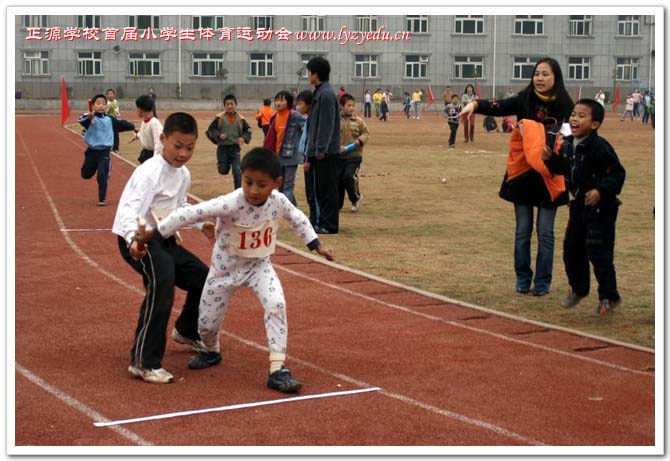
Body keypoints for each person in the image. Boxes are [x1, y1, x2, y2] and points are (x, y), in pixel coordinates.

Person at [140, 147, 335, 392]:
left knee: (277, 304)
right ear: (241, 176)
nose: (253, 190)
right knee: (207, 324)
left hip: (258, 266)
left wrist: (317, 245)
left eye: (261, 185)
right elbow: (190, 213)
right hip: (223, 270)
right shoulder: (231, 203)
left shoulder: (279, 202)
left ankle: (278, 368)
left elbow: (298, 219)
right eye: (248, 182)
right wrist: (158, 233)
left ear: (276, 183)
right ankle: (211, 350)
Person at [460, 57, 573, 296]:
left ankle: (543, 282)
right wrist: (474, 105)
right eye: (536, 74)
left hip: (550, 175)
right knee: (523, 230)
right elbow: (499, 106)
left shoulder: (565, 104)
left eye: (545, 74)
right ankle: (523, 278)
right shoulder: (524, 99)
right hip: (523, 174)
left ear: (556, 77)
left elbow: (573, 136)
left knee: (545, 233)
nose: (540, 78)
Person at [112, 112, 211, 384]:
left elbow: (177, 209)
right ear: (163, 139)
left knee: (203, 277)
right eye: (177, 146)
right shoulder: (148, 173)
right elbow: (131, 210)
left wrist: (203, 225)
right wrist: (133, 240)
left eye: (189, 148)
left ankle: (187, 330)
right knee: (163, 280)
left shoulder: (183, 174)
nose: (183, 153)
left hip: (164, 237)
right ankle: (144, 361)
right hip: (139, 236)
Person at [542, 99, 625, 315]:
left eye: (581, 116)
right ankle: (579, 288)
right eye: (573, 115)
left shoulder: (600, 147)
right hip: (578, 206)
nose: (574, 119)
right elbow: (564, 168)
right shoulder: (568, 143)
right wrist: (551, 160)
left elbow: (617, 174)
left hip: (601, 209)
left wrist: (600, 191)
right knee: (571, 248)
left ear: (595, 124)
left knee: (598, 251)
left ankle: (609, 296)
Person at [78, 93, 136, 206]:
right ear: (93, 105)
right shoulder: (89, 117)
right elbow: (81, 121)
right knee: (86, 175)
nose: (101, 106)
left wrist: (133, 127)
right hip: (91, 151)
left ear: (106, 107)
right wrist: (89, 118)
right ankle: (91, 169)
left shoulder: (110, 119)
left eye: (103, 104)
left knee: (102, 175)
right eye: (98, 103)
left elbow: (121, 124)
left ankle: (102, 198)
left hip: (104, 152)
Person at [306, 56, 341, 234]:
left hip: (326, 152)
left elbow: (326, 125)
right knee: (321, 189)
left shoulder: (326, 95)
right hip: (320, 151)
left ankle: (330, 225)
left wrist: (320, 149)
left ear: (316, 74)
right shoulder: (320, 92)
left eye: (309, 72)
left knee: (327, 190)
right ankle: (323, 222)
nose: (308, 75)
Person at [262, 90, 305, 206]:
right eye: (276, 100)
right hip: (278, 155)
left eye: (281, 100)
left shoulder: (294, 116)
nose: (278, 103)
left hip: (291, 156)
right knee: (280, 186)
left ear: (289, 102)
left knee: (288, 186)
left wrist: (301, 140)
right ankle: (293, 207)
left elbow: (307, 127)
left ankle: (287, 210)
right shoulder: (274, 117)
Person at [207, 94, 252, 190]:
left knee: (237, 171)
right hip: (222, 148)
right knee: (223, 170)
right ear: (224, 106)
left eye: (232, 104)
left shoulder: (240, 119)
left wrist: (243, 138)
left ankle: (238, 192)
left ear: (236, 105)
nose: (230, 106)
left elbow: (248, 130)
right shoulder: (220, 118)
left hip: (235, 148)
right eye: (227, 104)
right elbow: (211, 129)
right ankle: (221, 165)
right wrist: (219, 135)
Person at [338, 93, 369, 212]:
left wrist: (359, 141)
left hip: (354, 156)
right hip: (339, 156)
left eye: (353, 105)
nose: (351, 108)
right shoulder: (336, 121)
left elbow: (366, 134)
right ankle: (338, 204)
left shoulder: (359, 121)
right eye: (348, 105)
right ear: (342, 106)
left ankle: (355, 198)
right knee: (338, 180)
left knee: (348, 177)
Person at [296, 90, 319, 226]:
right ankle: (313, 217)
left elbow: (311, 141)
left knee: (313, 191)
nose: (298, 106)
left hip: (311, 159)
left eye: (300, 103)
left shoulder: (313, 120)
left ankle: (316, 220)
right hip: (306, 157)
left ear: (309, 104)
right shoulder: (308, 119)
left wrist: (308, 159)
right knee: (309, 191)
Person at [132, 94, 163, 164]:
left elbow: (158, 143)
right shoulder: (144, 122)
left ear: (141, 109)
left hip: (152, 156)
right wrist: (137, 136)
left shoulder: (154, 123)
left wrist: (155, 161)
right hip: (145, 154)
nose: (136, 110)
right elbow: (144, 134)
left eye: (137, 108)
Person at [106, 88, 121, 153]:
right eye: (109, 94)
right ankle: (108, 147)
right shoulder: (106, 102)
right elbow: (105, 112)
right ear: (107, 95)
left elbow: (117, 109)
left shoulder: (115, 101)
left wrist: (118, 114)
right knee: (109, 134)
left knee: (116, 134)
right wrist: (107, 109)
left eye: (111, 94)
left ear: (114, 95)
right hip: (109, 120)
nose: (110, 95)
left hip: (115, 120)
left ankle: (116, 148)